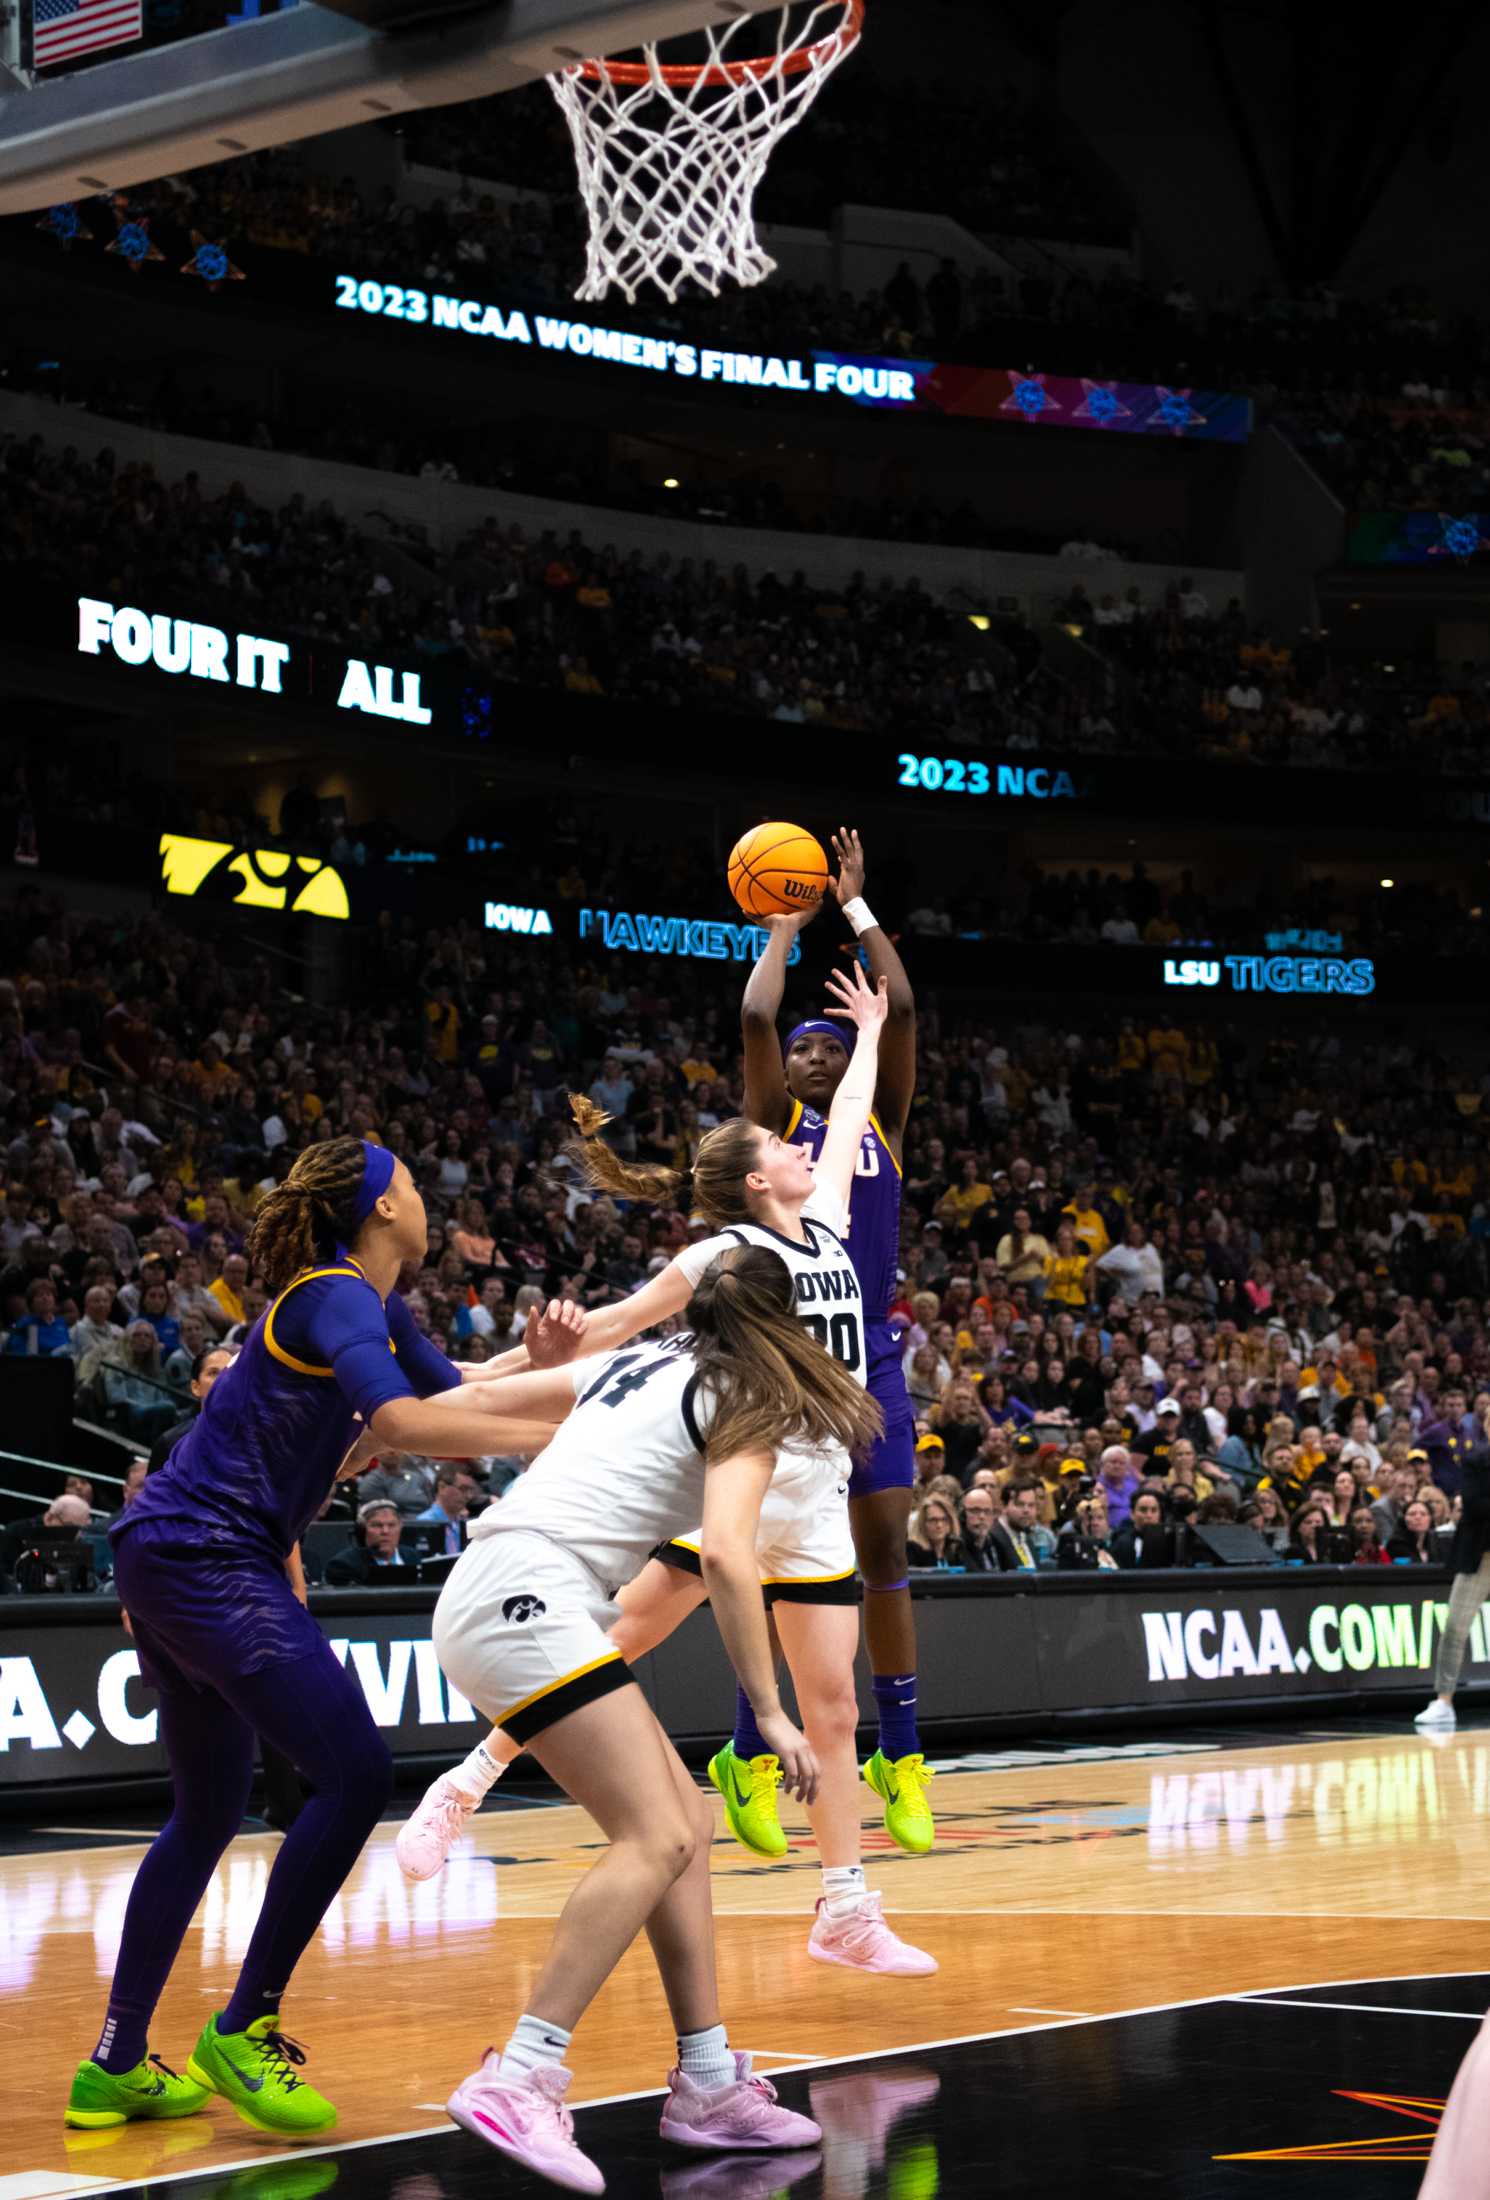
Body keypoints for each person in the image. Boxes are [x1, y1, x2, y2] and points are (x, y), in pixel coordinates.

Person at [400, 962, 937, 1971]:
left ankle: (843, 1906)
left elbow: (860, 1105)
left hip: (815, 1493)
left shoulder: (821, 1214)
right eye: (779, 1142)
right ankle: (464, 1782)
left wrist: (868, 1032)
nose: (797, 1141)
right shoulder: (721, 1257)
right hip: (736, 1475)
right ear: (751, 1180)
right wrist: (480, 1370)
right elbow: (606, 1331)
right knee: (610, 1642)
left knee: (830, 1709)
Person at [66, 1137, 559, 2137]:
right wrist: (561, 1432)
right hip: (207, 1556)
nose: (428, 1197)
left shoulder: (367, 1306)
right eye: (415, 1185)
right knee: (357, 1770)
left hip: (173, 1553)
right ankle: (244, 2025)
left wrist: (558, 1368)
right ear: (380, 1209)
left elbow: (461, 1384)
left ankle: (114, 2063)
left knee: (206, 1814)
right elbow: (414, 1424)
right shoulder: (333, 1292)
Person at [426, 1243, 854, 2190]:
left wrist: (373, 1431)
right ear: (787, 1326)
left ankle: (705, 2079)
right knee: (655, 1833)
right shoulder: (746, 1398)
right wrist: (774, 1715)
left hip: (505, 1588)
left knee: (687, 1829)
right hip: (526, 1594)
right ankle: (522, 2076)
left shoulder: (633, 1360)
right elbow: (731, 1561)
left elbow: (488, 1406)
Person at [1416, 1399, 1490, 1730]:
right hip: (1481, 1555)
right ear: (1486, 1427)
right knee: (1455, 1627)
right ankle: (1443, 1700)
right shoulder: (1476, 1460)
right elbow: (1474, 1505)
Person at [147, 1344, 236, 1474]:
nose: (223, 1378)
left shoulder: (256, 1439)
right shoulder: (171, 1442)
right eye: (213, 1373)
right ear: (196, 1387)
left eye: (229, 1372)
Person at [325, 1498, 422, 1583]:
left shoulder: (413, 1557)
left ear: (401, 1528)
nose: (385, 1531)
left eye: (392, 1525)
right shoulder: (344, 1566)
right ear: (362, 1530)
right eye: (377, 1525)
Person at [1111, 1489, 1176, 1568]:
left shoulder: (1171, 1542)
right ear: (1132, 1514)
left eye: (1154, 1510)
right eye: (1143, 1510)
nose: (1149, 1515)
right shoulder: (1121, 1543)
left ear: (1160, 1514)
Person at [906, 1492, 964, 1570]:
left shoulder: (956, 1547)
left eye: (944, 1519)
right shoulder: (912, 1550)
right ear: (922, 1523)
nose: (939, 1525)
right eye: (933, 1520)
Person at [1387, 1499, 1438, 1564]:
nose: (1418, 1517)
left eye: (1423, 1514)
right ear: (1403, 1519)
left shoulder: (1435, 1541)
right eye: (1412, 1514)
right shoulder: (1396, 1543)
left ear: (1430, 1519)